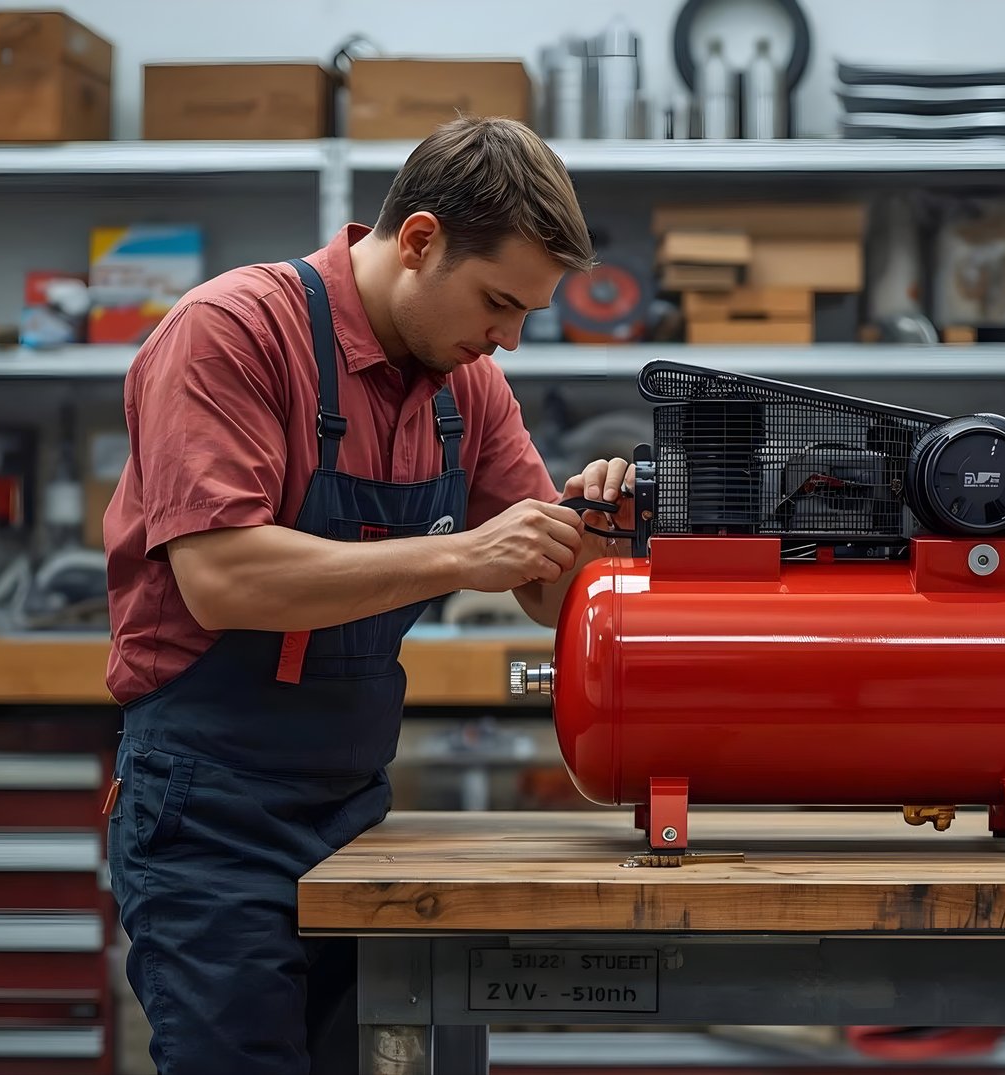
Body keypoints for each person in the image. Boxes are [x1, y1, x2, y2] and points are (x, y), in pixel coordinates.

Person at [99, 115, 631, 1075]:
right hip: (208, 811)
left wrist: (588, 533)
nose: (507, 340)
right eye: (499, 302)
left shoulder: (465, 386)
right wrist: (462, 554)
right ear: (421, 241)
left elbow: (547, 599)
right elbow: (223, 579)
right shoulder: (234, 331)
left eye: (526, 317)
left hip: (352, 806)